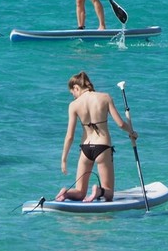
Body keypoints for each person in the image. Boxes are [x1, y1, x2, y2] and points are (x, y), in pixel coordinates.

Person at [57, 71, 137, 202]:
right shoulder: (105, 97)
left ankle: (65, 193)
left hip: (85, 149)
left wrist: (64, 159)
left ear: (76, 88)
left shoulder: (74, 105)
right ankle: (98, 191)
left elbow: (69, 136)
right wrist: (132, 132)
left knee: (80, 192)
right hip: (102, 147)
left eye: (73, 93)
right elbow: (121, 124)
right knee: (109, 193)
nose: (73, 97)